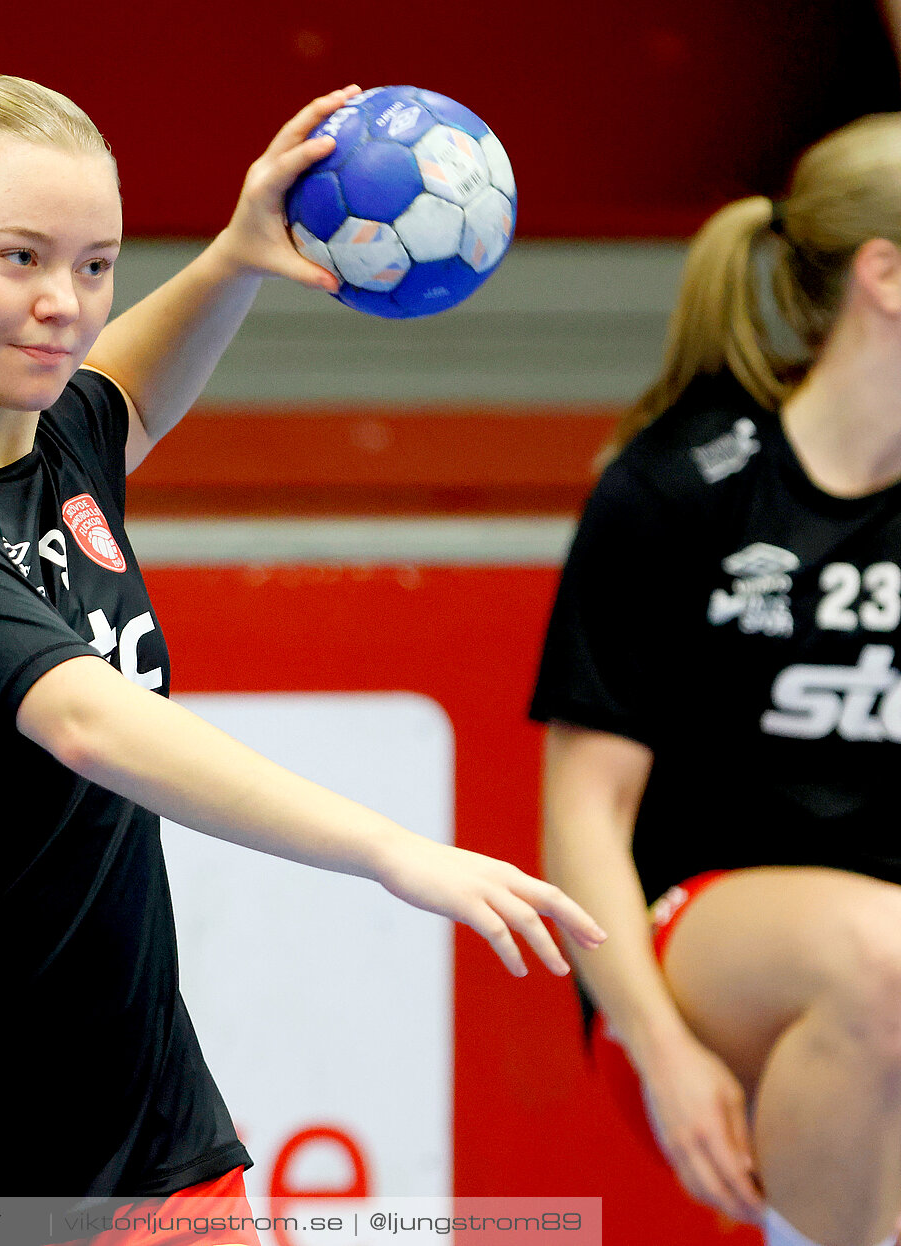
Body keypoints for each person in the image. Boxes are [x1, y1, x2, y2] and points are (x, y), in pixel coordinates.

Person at [0, 74, 604, 1216]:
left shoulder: (60, 445)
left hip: (147, 1144)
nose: (66, 302)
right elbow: (88, 719)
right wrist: (392, 849)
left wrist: (239, 256)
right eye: (19, 258)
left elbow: (130, 394)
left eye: (95, 264)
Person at [532, 114, 901, 1246]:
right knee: (884, 954)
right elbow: (585, 812)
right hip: (693, 945)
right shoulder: (683, 483)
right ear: (885, 275)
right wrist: (661, 1044)